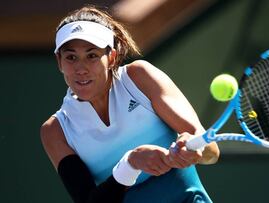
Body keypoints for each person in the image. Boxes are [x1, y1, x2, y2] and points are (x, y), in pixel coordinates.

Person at [40, 5, 220, 203]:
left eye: (92, 55)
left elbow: (211, 150)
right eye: (71, 57)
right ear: (59, 62)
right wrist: (130, 164)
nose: (80, 69)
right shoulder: (55, 131)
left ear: (111, 57)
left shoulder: (138, 78)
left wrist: (193, 148)